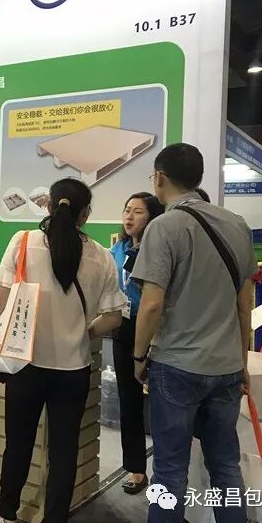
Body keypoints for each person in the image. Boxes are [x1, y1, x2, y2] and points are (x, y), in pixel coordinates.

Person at [0, 178, 124, 523]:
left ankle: (7, 515)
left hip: (25, 365)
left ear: (48, 206)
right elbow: (114, 318)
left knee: (18, 444)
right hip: (73, 370)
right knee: (64, 452)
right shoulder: (102, 256)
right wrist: (82, 332)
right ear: (85, 214)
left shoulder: (23, 241)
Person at [131, 143, 257, 523]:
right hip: (227, 367)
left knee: (170, 471)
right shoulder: (237, 224)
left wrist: (138, 358)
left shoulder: (164, 226)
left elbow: (151, 304)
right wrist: (243, 363)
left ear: (159, 177)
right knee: (226, 466)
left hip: (177, 365)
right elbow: (245, 306)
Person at [109, 192, 164, 494]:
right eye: (127, 210)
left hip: (157, 328)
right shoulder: (117, 249)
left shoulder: (160, 250)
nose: (129, 216)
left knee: (164, 402)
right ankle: (136, 469)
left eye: (138, 212)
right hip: (124, 327)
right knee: (128, 400)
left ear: (152, 217)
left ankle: (170, 473)